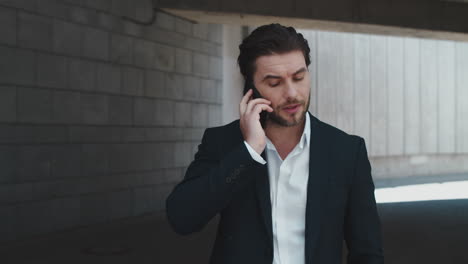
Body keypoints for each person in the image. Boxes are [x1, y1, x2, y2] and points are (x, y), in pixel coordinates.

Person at [166, 23, 384, 264]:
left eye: (299, 77)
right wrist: (248, 152)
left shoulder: (346, 151)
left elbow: (367, 251)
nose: (292, 93)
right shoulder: (224, 143)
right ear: (251, 88)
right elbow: (182, 219)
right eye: (274, 83)